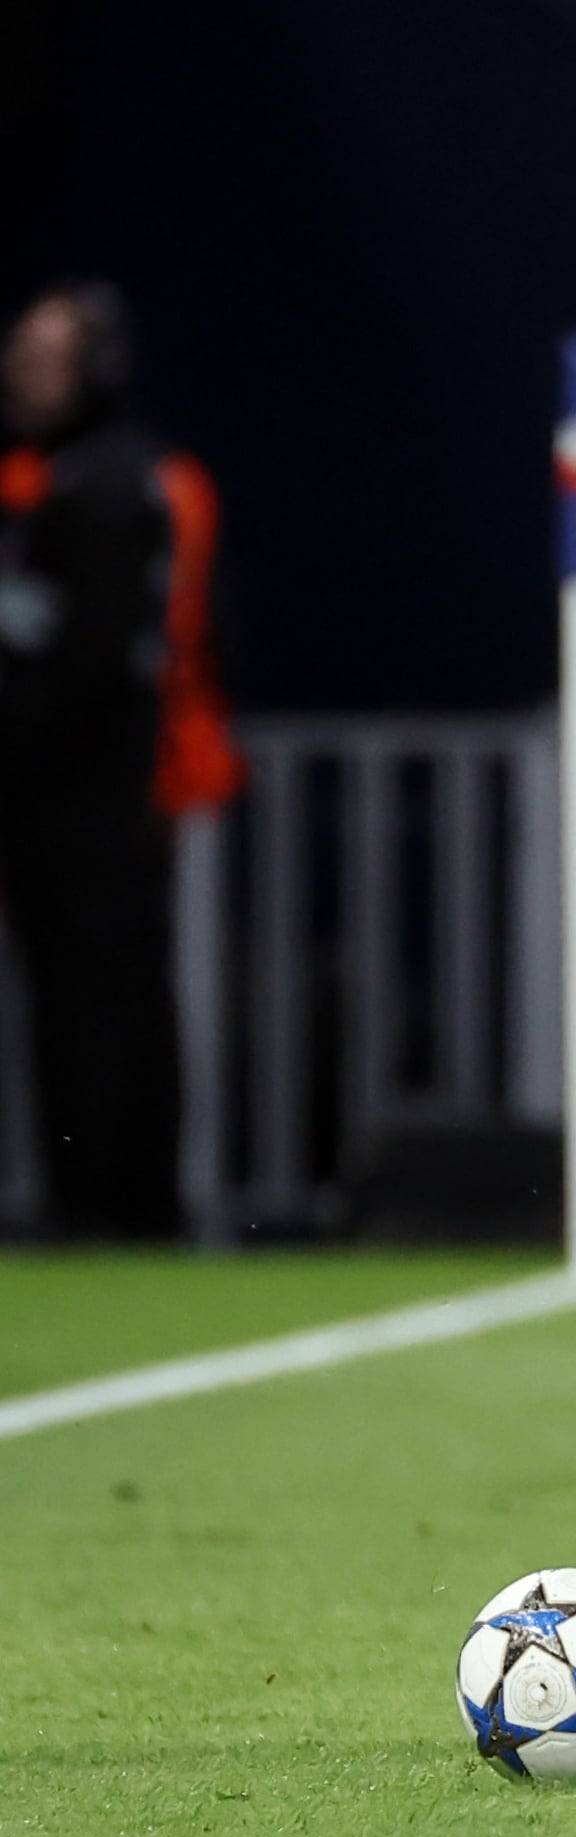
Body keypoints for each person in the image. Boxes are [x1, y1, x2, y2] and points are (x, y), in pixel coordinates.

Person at [0, 282, 185, 1240]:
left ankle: (119, 1209)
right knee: (70, 1009)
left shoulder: (109, 486)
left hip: (93, 800)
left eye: (43, 358)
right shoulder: (46, 477)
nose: (18, 377)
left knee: (105, 1008)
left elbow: (86, 662)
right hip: (53, 800)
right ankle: (97, 1203)